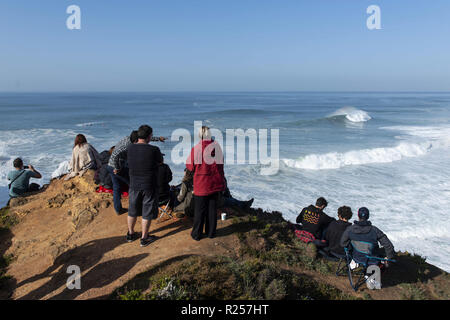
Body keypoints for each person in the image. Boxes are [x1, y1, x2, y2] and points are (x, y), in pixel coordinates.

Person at [108, 131, 166, 215]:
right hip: (116, 168)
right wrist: (117, 168)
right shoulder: (127, 146)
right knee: (133, 185)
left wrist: (158, 139)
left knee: (116, 187)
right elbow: (116, 154)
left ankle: (118, 209)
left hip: (110, 165)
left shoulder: (128, 138)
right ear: (135, 140)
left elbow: (144, 138)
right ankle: (137, 209)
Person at [126, 125, 163, 247]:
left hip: (133, 184)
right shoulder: (154, 150)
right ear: (149, 136)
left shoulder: (130, 148)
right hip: (149, 184)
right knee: (146, 212)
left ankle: (130, 234)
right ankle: (144, 238)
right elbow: (160, 163)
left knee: (132, 210)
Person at [186, 126, 225, 240]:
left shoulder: (197, 148)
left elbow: (190, 166)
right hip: (215, 182)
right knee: (212, 209)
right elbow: (221, 164)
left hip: (202, 183)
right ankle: (211, 232)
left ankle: (197, 234)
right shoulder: (216, 147)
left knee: (200, 210)